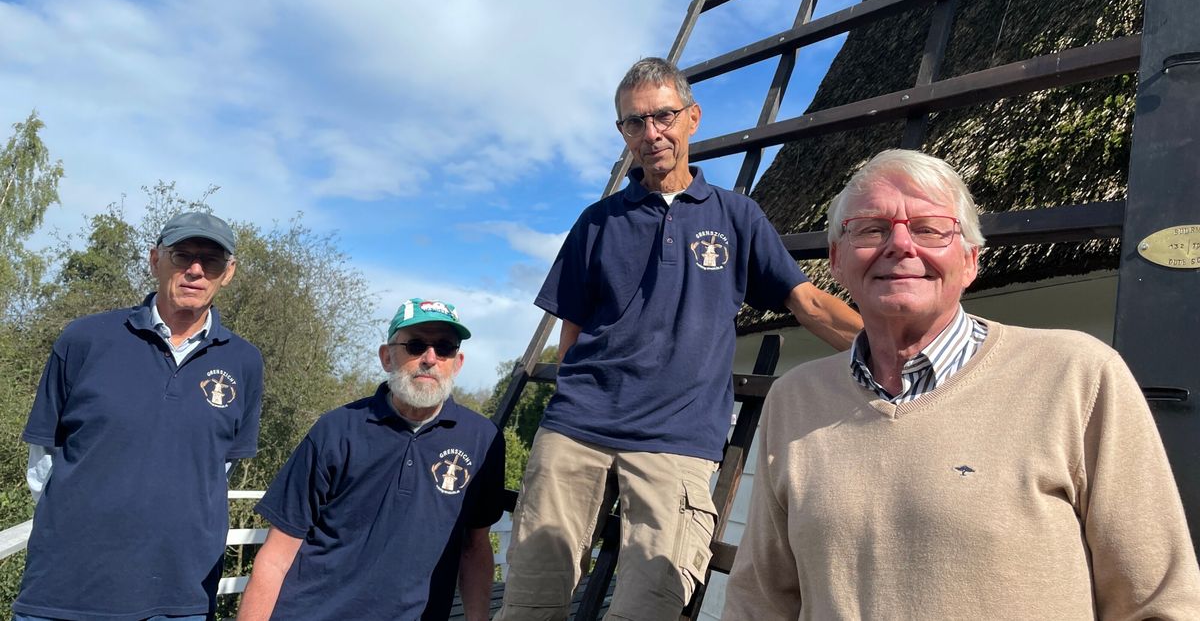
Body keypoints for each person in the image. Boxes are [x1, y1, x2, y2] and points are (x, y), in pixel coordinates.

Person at [724, 149, 1200, 618]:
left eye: (929, 229)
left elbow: (1158, 601)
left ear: (971, 260)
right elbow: (759, 600)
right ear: (836, 260)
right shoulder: (795, 398)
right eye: (871, 229)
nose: (900, 245)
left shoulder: (1077, 375)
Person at [495, 57, 863, 621]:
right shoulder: (596, 222)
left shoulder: (737, 217)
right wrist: (568, 405)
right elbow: (571, 330)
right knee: (528, 606)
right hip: (577, 431)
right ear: (623, 133)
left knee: (649, 609)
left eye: (662, 116)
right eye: (633, 123)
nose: (650, 134)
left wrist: (903, 351)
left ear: (691, 117)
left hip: (677, 439)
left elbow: (808, 302)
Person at [15, 211, 264, 621]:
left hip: (179, 598)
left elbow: (219, 468)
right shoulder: (84, 339)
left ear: (229, 272)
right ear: (154, 260)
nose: (196, 271)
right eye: (182, 255)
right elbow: (43, 461)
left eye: (211, 261)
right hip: (65, 592)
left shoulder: (244, 362)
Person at [237, 298, 505, 621]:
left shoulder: (482, 441)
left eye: (445, 348)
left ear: (457, 362)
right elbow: (276, 557)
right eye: (416, 345)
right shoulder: (336, 430)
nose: (430, 359)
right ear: (387, 357)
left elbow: (475, 548)